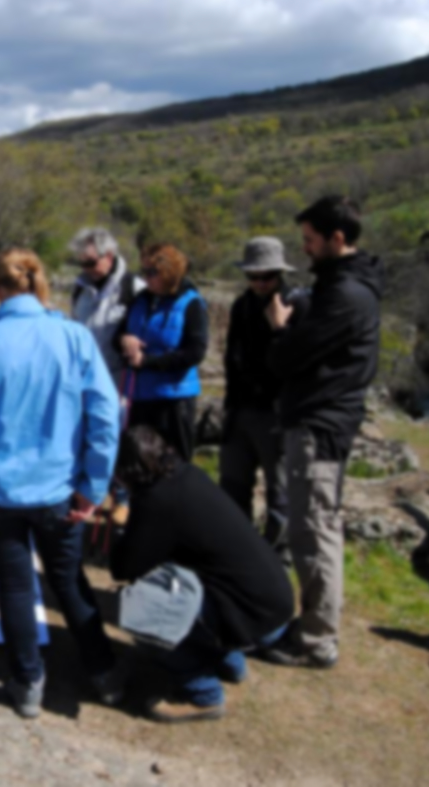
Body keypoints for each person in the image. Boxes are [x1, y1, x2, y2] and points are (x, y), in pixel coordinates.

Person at [0, 248, 122, 719]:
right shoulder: (75, 338)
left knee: (16, 587)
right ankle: (104, 672)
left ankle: (27, 681)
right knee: (69, 580)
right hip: (59, 489)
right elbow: (104, 417)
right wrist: (93, 484)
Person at [260, 196, 381, 669]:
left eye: (310, 241)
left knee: (314, 529)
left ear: (337, 239)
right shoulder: (345, 287)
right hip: (322, 419)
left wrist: (279, 330)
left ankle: (316, 640)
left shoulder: (345, 296)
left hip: (320, 424)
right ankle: (313, 624)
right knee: (315, 525)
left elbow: (286, 358)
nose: (304, 249)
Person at [111, 426, 295, 723]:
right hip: (272, 604)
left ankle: (203, 693)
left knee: (140, 604)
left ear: (126, 473)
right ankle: (229, 661)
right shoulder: (187, 474)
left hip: (253, 615)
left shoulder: (156, 501)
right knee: (188, 581)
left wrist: (122, 525)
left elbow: (123, 569)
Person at [219, 237, 309, 556]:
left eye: (266, 276)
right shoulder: (242, 305)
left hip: (276, 414)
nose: (259, 283)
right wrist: (230, 406)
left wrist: (279, 328)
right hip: (241, 409)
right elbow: (232, 357)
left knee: (280, 493)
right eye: (253, 276)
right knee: (232, 486)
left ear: (279, 274)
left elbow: (298, 362)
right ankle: (239, 554)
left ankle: (277, 560)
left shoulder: (297, 304)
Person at [117, 244, 208, 460]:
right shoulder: (140, 300)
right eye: (144, 272)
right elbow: (118, 335)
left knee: (174, 464)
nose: (146, 278)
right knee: (140, 462)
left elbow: (195, 352)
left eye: (152, 272)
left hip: (174, 401)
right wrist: (124, 339)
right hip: (140, 397)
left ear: (169, 272)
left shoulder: (191, 303)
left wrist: (147, 362)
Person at [68, 226, 145, 390]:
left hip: (120, 382)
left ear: (109, 256)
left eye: (90, 262)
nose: (85, 269)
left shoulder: (135, 288)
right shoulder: (80, 289)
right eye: (81, 263)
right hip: (83, 379)